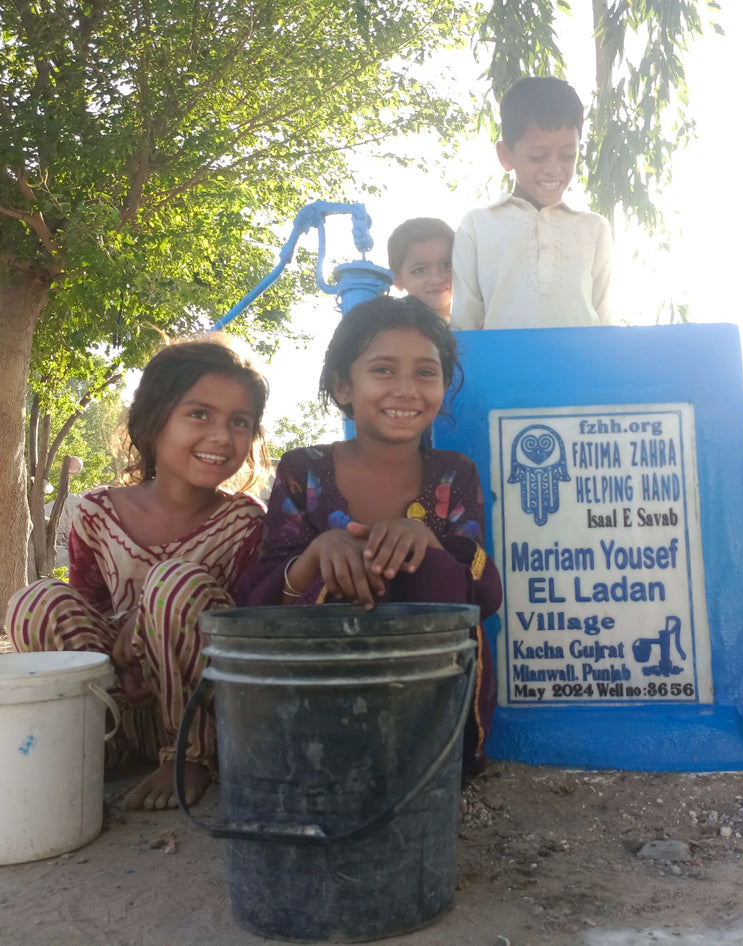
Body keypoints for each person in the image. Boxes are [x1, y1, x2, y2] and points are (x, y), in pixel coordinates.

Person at [236, 295, 501, 773]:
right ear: (343, 386)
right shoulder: (305, 471)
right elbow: (257, 603)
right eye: (383, 370)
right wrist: (320, 553)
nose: (406, 389)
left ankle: (433, 762)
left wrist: (429, 541)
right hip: (321, 703)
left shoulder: (453, 474)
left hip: (431, 714)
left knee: (436, 566)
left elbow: (486, 591)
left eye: (426, 372)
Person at [5, 336, 269, 811]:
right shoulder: (97, 511)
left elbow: (246, 632)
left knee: (175, 585)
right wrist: (123, 644)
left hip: (202, 707)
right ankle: (90, 741)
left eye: (240, 422)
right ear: (153, 421)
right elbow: (88, 610)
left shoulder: (246, 522)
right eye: (199, 414)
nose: (221, 436)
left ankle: (189, 755)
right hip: (121, 704)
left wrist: (148, 618)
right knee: (35, 601)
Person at [450, 76, 613, 330]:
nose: (554, 169)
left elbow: (606, 322)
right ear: (506, 155)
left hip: (580, 368)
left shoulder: (595, 228)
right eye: (538, 156)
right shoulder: (477, 226)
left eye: (568, 155)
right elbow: (464, 322)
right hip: (503, 369)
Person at [388, 217, 455, 322]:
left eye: (447, 265)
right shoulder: (394, 333)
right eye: (420, 270)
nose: (437, 279)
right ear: (397, 280)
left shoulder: (479, 326)